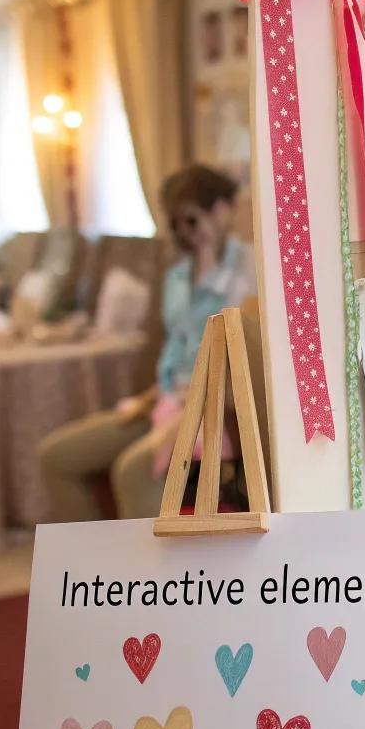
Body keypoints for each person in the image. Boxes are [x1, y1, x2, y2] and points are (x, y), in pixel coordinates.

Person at [39, 165, 256, 522]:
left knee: (135, 471)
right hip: (167, 400)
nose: (186, 230)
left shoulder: (247, 269)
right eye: (176, 220)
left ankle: (140, 576)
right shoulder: (176, 277)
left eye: (194, 217)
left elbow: (233, 344)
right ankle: (89, 569)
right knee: (56, 456)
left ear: (223, 210)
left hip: (219, 408)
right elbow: (178, 346)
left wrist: (209, 259)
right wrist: (152, 397)